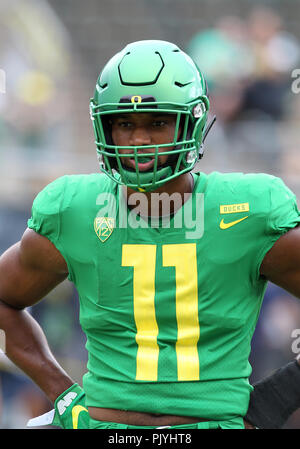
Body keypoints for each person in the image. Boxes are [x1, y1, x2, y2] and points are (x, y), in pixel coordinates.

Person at [0, 40, 300, 430]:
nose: (138, 140)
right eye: (124, 123)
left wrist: (277, 397)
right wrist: (63, 393)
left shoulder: (247, 210)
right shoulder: (74, 210)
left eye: (157, 122)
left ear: (192, 121)